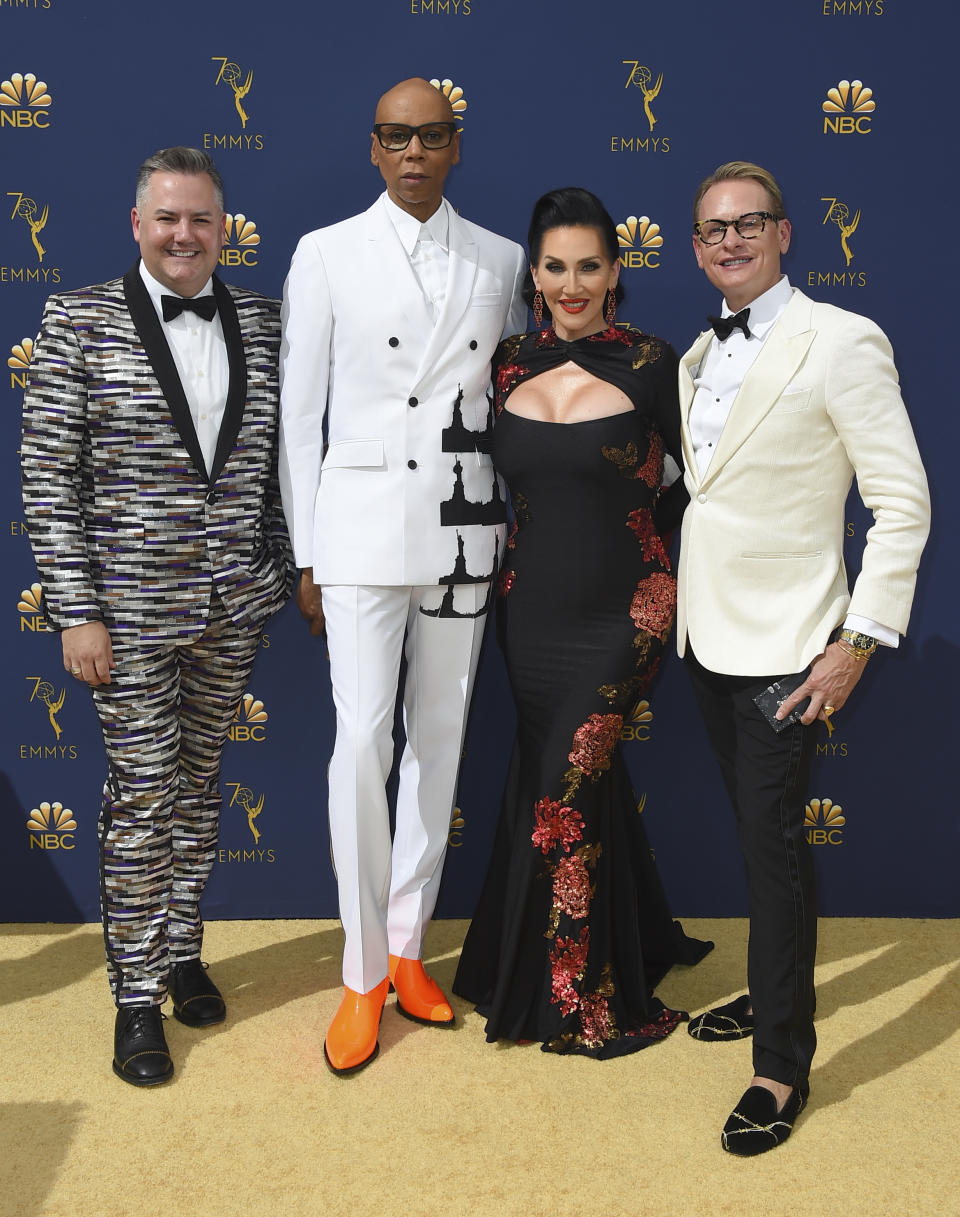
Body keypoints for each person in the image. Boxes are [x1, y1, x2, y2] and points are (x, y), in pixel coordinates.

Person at [21, 146, 294, 1087]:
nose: (185, 235)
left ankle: (181, 948)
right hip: (125, 615)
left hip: (234, 604)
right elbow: (48, 476)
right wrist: (76, 608)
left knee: (199, 781)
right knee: (141, 795)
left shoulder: (264, 321)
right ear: (137, 224)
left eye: (202, 220)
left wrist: (281, 566)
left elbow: (278, 465)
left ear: (224, 227)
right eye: (168, 218)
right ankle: (135, 996)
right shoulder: (77, 318)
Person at [677, 161, 929, 1153]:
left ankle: (780, 1062)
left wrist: (856, 642)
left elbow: (901, 503)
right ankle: (771, 991)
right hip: (709, 637)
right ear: (694, 248)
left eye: (748, 223)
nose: (729, 240)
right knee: (759, 840)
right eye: (711, 229)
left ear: (785, 235)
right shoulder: (700, 352)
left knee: (776, 854)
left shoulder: (842, 341)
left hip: (793, 644)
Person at [278, 77, 526, 1075]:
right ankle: (361, 967)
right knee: (359, 741)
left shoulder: (502, 258)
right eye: (395, 137)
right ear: (374, 149)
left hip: (464, 528)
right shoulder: (326, 252)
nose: (413, 152)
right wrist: (306, 549)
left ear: (455, 146)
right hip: (362, 529)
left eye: (430, 136)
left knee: (443, 734)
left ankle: (412, 944)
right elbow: (301, 414)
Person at [453, 187, 713, 1057]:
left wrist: (653, 552)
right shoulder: (505, 362)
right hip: (528, 615)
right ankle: (623, 940)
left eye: (589, 267)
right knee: (562, 779)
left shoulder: (651, 361)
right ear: (535, 271)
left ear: (616, 272)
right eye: (556, 267)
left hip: (623, 613)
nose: (572, 285)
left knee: (567, 785)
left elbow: (703, 482)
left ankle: (581, 999)